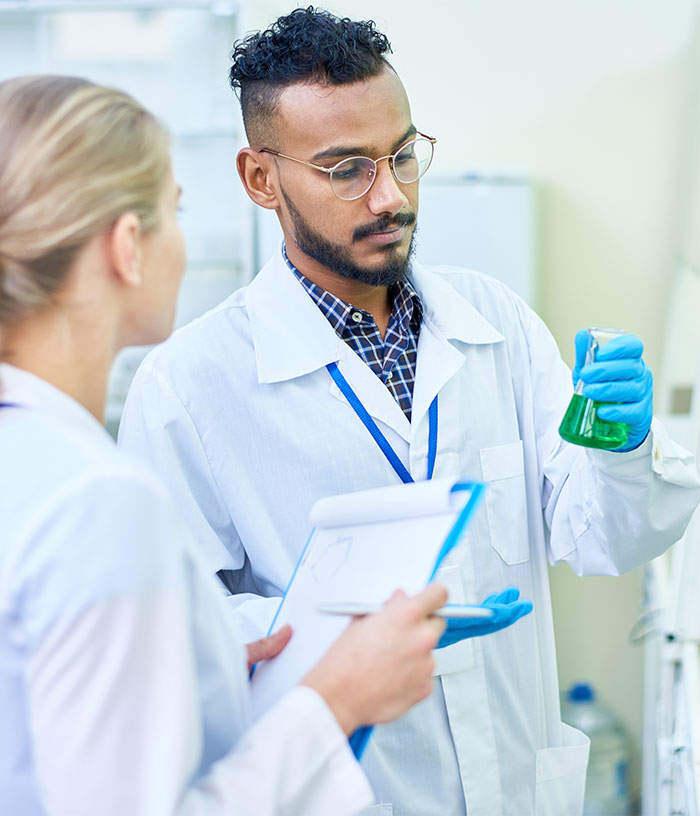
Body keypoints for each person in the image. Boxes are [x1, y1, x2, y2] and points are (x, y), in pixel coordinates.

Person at [118, 7, 700, 816]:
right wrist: (350, 630)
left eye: (401, 154)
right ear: (261, 179)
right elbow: (173, 637)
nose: (390, 194)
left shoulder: (495, 323)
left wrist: (623, 448)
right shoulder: (189, 386)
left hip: (518, 785)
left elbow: (601, 536)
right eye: (346, 167)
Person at [0, 74, 454, 816]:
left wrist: (203, 663)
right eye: (173, 213)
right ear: (128, 249)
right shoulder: (95, 499)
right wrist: (336, 700)